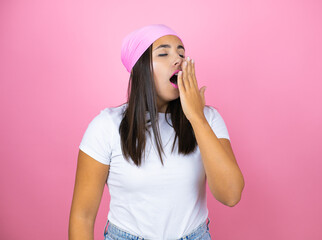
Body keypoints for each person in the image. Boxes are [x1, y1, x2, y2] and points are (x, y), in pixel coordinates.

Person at [69, 24, 245, 240]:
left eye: (182, 53)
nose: (178, 60)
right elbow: (82, 217)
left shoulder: (208, 119)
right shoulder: (106, 126)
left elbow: (231, 195)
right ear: (139, 68)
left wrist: (197, 118)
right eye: (163, 53)